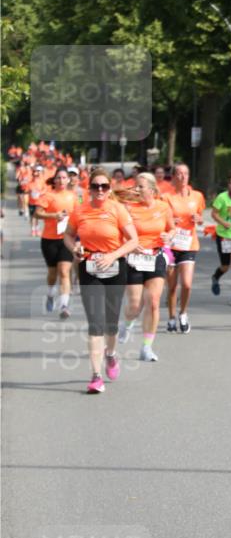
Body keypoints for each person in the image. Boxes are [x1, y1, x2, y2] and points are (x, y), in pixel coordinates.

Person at [63, 167, 138, 394]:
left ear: (109, 188)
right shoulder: (80, 210)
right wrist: (74, 248)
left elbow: (133, 240)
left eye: (104, 186)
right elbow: (68, 236)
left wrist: (113, 256)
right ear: (90, 188)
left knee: (111, 323)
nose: (100, 190)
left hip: (115, 268)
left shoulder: (117, 209)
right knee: (95, 323)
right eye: (95, 186)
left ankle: (111, 354)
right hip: (90, 269)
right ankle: (96, 376)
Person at [116, 173, 175, 361]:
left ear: (152, 189)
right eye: (135, 186)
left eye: (140, 186)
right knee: (135, 305)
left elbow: (172, 228)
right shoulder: (129, 208)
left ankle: (146, 347)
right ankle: (127, 323)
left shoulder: (163, 207)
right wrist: (130, 244)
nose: (137, 189)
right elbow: (119, 233)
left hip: (155, 257)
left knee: (154, 302)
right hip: (134, 259)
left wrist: (169, 236)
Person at [164, 163, 205, 333]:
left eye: (186, 173)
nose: (183, 177)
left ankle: (183, 313)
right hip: (171, 245)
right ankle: (171, 317)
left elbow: (200, 218)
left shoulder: (197, 196)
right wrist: (170, 222)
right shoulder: (166, 197)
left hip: (189, 244)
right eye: (179, 174)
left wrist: (199, 219)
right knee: (172, 286)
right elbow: (161, 219)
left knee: (187, 284)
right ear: (173, 177)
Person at [35, 166, 77, 318]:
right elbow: (37, 213)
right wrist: (54, 215)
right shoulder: (47, 196)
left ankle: (64, 306)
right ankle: (50, 293)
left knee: (64, 271)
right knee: (52, 273)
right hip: (49, 240)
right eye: (58, 177)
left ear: (68, 180)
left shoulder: (74, 197)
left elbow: (80, 215)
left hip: (67, 239)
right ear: (54, 180)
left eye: (64, 177)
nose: (61, 180)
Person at [210, 171, 231, 305]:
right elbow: (214, 214)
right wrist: (223, 223)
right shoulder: (222, 197)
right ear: (229, 185)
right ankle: (215, 277)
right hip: (224, 236)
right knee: (225, 266)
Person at [27, 165, 47, 236]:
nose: (36, 173)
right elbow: (28, 189)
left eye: (38, 171)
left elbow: (45, 189)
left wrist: (40, 193)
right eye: (35, 172)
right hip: (31, 202)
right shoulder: (31, 181)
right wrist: (32, 191)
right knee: (32, 216)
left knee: (37, 216)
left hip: (39, 202)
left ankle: (37, 230)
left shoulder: (42, 181)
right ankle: (33, 229)